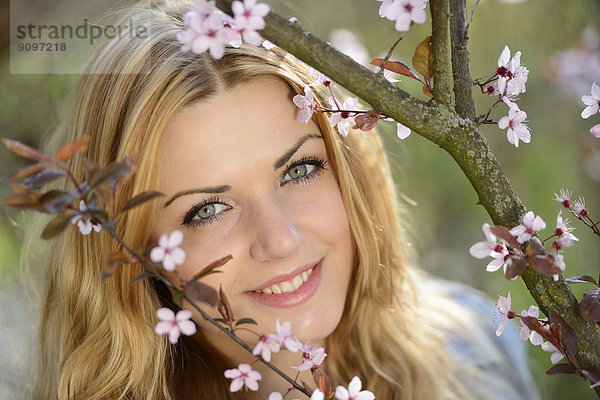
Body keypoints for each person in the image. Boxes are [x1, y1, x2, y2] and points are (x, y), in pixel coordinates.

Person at [25, 1, 539, 399]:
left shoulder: (480, 351)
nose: (281, 239)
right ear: (138, 254)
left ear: (347, 169)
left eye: (300, 169)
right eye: (206, 210)